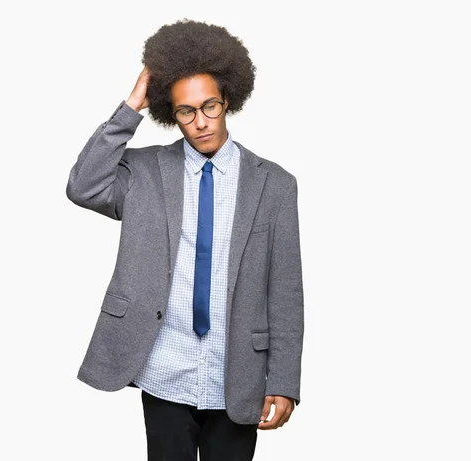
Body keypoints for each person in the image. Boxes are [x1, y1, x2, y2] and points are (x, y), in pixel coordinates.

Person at [66, 19, 304, 461]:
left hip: (238, 372)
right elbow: (83, 186)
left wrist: (284, 381)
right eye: (185, 111)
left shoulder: (275, 185)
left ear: (228, 99)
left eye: (209, 106)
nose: (200, 122)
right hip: (164, 368)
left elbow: (286, 290)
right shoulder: (145, 173)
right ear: (169, 114)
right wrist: (131, 107)